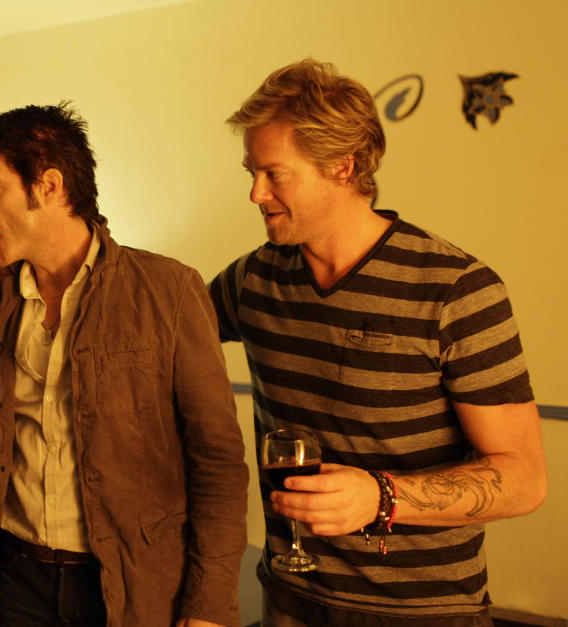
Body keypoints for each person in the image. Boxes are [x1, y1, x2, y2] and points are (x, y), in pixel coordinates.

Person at [0, 103, 249, 627]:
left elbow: (219, 464)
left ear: (48, 186)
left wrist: (210, 605)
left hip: (134, 587)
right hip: (22, 580)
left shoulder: (169, 291)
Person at [208, 59, 548, 625]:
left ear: (343, 167)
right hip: (288, 601)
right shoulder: (253, 279)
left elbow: (524, 478)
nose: (254, 194)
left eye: (273, 174)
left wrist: (383, 498)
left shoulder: (456, 289)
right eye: (251, 171)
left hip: (426, 613)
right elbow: (158, 327)